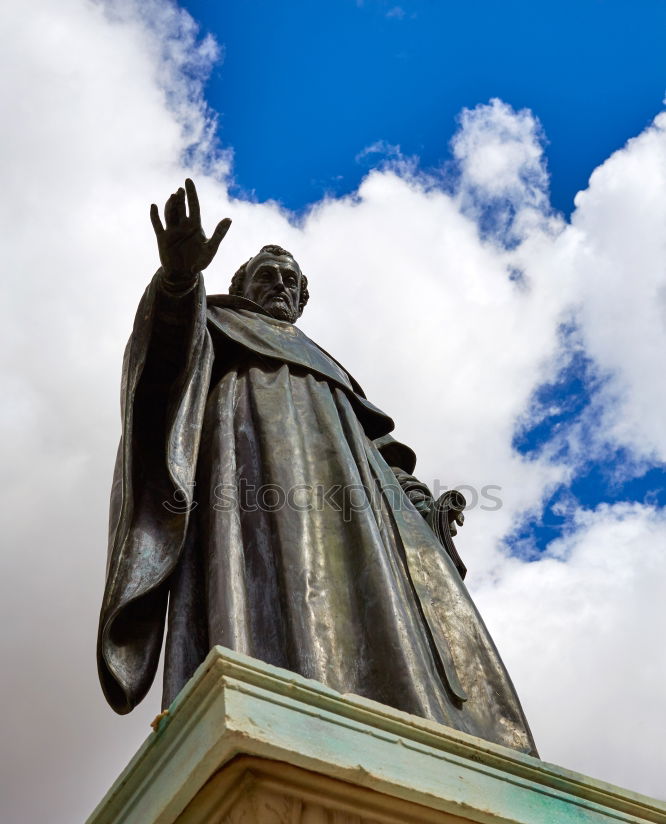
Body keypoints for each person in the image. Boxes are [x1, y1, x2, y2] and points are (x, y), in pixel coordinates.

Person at [97, 179, 537, 755]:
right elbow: (156, 371)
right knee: (269, 586)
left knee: (370, 604)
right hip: (254, 478)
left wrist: (421, 503)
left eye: (291, 280)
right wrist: (179, 281)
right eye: (268, 274)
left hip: (354, 509)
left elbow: (378, 451)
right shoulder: (217, 324)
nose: (280, 284)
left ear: (303, 298)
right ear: (241, 286)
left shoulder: (330, 368)